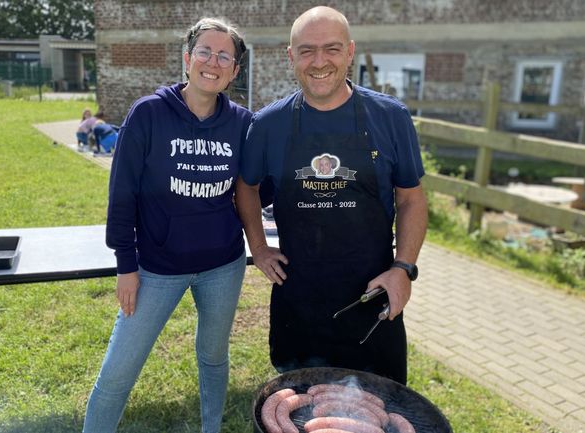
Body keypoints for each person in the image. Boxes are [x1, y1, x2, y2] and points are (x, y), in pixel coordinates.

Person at [235, 6, 428, 385]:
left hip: (374, 296)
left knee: (378, 405)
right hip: (299, 298)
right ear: (291, 56)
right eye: (306, 50)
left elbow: (411, 199)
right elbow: (246, 186)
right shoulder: (268, 125)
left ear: (350, 51)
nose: (319, 61)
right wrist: (258, 248)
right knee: (300, 405)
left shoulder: (390, 117)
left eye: (332, 49)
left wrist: (403, 269)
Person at [83, 17, 251, 433]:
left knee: (213, 356)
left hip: (222, 266)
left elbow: (253, 190)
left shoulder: (243, 124)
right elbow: (122, 194)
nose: (213, 62)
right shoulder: (148, 114)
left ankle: (210, 427)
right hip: (155, 267)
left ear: (235, 70)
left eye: (224, 56)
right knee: (119, 371)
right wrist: (126, 265)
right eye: (204, 52)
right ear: (187, 58)